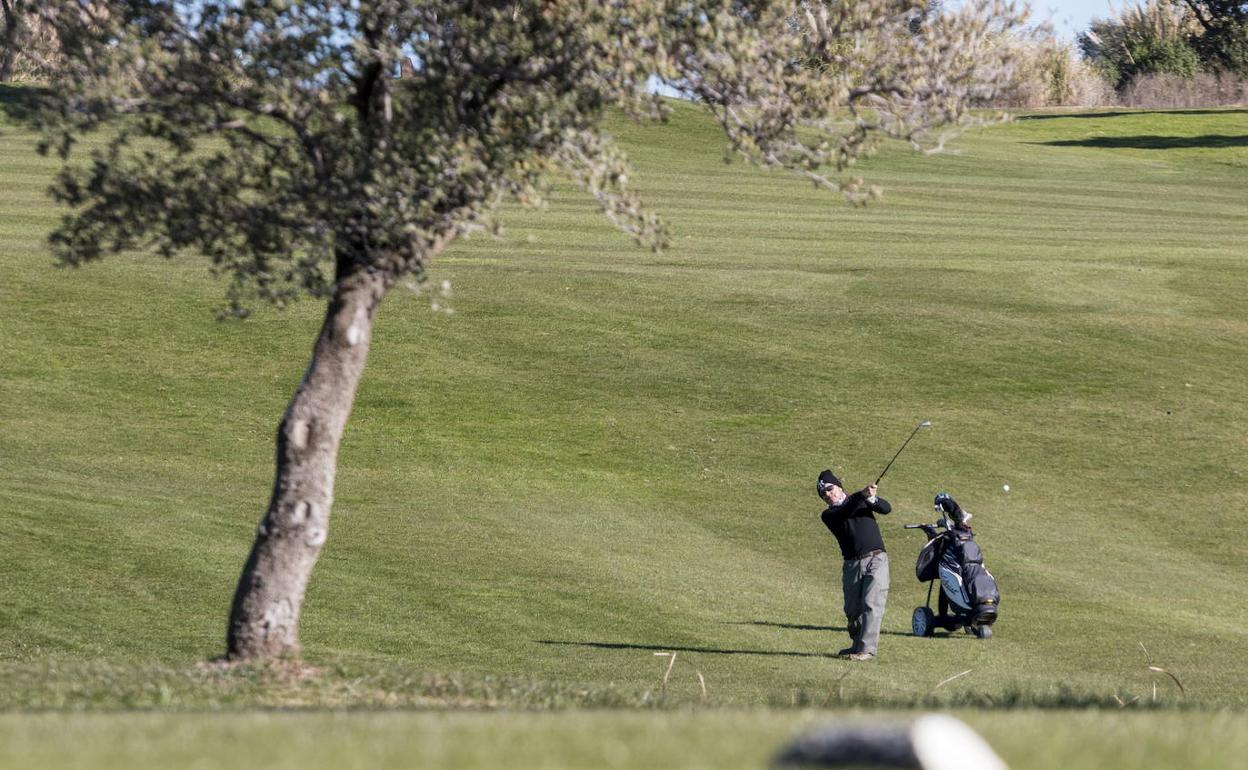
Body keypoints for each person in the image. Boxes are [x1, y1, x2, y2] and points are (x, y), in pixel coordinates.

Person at [817, 469, 892, 661]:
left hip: (877, 559)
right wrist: (862, 495)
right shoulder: (829, 515)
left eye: (829, 489)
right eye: (823, 493)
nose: (827, 494)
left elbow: (885, 508)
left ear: (839, 487)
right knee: (852, 610)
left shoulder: (860, 501)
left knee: (871, 603)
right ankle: (857, 645)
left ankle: (866, 650)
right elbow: (846, 510)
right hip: (852, 565)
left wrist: (872, 498)